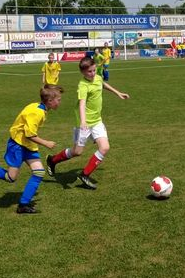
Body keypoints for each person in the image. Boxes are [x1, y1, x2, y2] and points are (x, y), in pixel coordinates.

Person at [0, 85, 63, 214]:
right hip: (17, 145)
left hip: (28, 145)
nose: (60, 102)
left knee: (39, 172)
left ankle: (23, 205)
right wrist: (46, 143)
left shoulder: (39, 107)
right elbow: (29, 134)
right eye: (58, 99)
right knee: (11, 177)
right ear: (50, 101)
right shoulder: (37, 113)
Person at [45, 56, 130, 189]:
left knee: (105, 147)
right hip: (83, 123)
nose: (92, 73)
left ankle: (84, 175)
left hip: (97, 121)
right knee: (77, 152)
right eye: (89, 71)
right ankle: (52, 160)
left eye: (94, 70)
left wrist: (118, 93)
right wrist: (83, 121)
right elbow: (82, 104)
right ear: (83, 72)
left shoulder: (98, 77)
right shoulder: (83, 85)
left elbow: (102, 84)